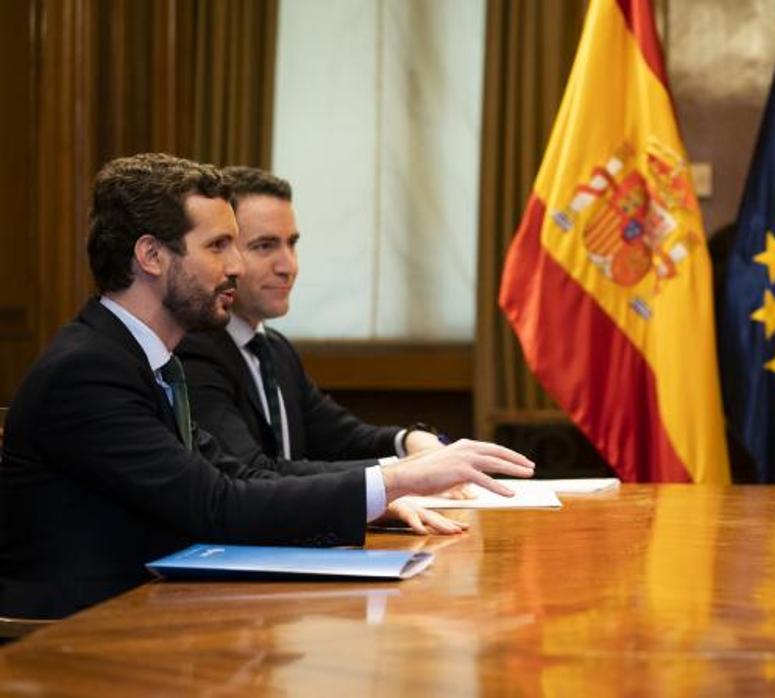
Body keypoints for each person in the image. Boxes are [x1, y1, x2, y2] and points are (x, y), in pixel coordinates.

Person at [0, 153, 534, 619]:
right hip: (80, 640)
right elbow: (217, 505)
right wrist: (395, 481)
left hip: (159, 612)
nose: (235, 266)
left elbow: (236, 475)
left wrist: (383, 492)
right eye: (218, 246)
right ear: (151, 256)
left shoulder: (148, 359)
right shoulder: (88, 371)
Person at [175, 167, 464, 535]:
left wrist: (409, 442)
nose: (288, 266)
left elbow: (341, 437)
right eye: (264, 246)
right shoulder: (193, 352)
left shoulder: (274, 349)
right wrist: (400, 477)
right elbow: (254, 471)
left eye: (292, 243)